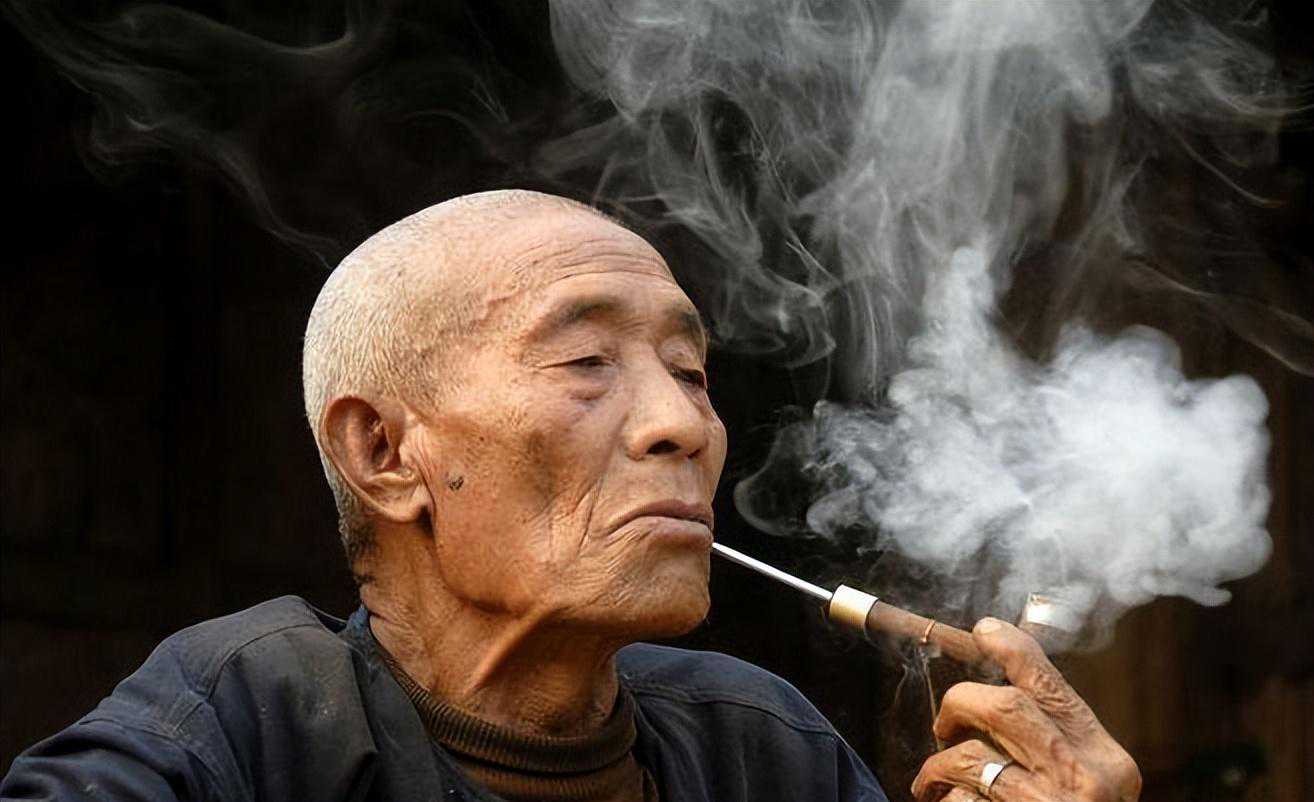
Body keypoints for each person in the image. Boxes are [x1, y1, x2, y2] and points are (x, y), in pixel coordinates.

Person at [1, 190, 1141, 802]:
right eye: (586, 361)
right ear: (384, 451)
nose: (681, 423)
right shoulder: (244, 727)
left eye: (691, 372)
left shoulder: (760, 748)